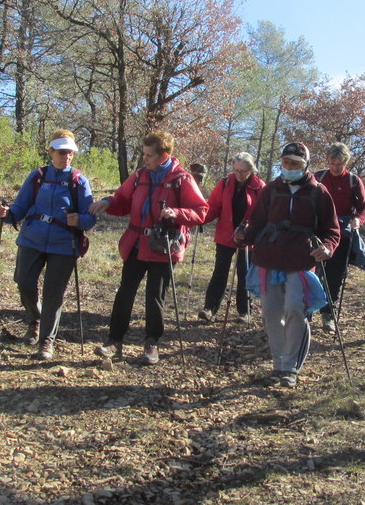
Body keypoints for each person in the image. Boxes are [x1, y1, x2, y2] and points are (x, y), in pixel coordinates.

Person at [88, 130, 208, 365]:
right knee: (125, 293)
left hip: (163, 245)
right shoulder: (140, 175)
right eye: (144, 154)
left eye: (149, 155)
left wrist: (177, 213)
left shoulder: (182, 179)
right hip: (136, 244)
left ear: (164, 156)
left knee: (155, 297)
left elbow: (201, 211)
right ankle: (114, 341)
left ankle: (152, 342)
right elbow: (122, 200)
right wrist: (106, 202)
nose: (145, 159)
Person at [238, 142, 340, 388]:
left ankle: (290, 367)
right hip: (268, 258)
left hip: (301, 260)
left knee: (295, 308)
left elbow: (332, 229)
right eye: (285, 162)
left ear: (305, 165)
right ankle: (279, 364)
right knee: (272, 313)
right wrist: (244, 236)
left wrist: (327, 247)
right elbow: (258, 221)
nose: (288, 167)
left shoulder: (319, 192)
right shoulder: (272, 189)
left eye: (294, 163)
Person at [0, 131, 97, 360]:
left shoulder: (79, 180)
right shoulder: (38, 177)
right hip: (32, 239)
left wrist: (79, 220)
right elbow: (19, 208)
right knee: (24, 282)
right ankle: (35, 318)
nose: (67, 156)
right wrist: (6, 214)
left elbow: (90, 216)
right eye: (62, 152)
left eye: (70, 152)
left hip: (64, 243)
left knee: (54, 293)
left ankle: (46, 342)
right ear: (51, 152)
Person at [198, 153, 266, 324]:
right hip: (225, 233)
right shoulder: (226, 183)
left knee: (245, 273)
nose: (239, 174)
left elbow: (263, 214)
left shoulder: (260, 187)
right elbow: (213, 206)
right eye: (236, 170)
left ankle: (245, 311)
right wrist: (200, 218)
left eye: (243, 171)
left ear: (251, 170)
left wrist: (249, 229)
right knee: (220, 271)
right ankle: (210, 308)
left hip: (247, 237)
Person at [314, 142, 365, 334]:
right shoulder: (318, 177)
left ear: (346, 162)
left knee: (335, 277)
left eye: (340, 164)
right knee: (313, 274)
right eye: (332, 163)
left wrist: (358, 221)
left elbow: (364, 208)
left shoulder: (353, 181)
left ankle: (328, 313)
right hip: (318, 235)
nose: (336, 168)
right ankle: (306, 311)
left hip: (343, 237)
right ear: (327, 161)